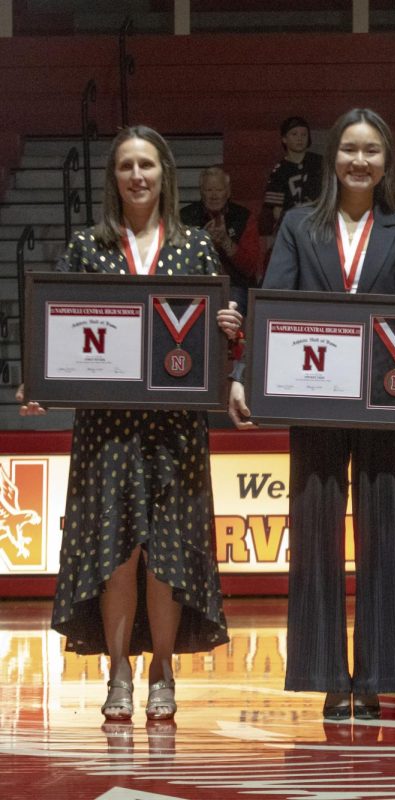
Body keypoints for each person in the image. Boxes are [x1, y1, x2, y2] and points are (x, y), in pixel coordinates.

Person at [228, 108, 395, 721]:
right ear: (333, 158)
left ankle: (377, 673)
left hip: (384, 402)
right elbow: (271, 306)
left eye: (372, 151)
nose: (360, 160)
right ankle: (326, 673)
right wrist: (245, 377)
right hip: (316, 400)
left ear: (387, 163)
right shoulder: (301, 226)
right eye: (350, 149)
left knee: (385, 532)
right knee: (316, 534)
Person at [18, 126, 242, 721]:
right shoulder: (87, 247)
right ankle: (118, 672)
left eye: (147, 164)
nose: (137, 175)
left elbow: (219, 335)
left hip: (175, 428)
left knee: (166, 554)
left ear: (164, 173)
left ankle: (163, 670)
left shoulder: (195, 246)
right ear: (113, 178)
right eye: (126, 166)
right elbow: (55, 325)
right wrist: (38, 377)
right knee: (117, 552)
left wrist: (228, 330)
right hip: (107, 427)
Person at [181, 165, 262, 311]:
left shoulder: (243, 217)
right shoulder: (185, 217)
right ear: (201, 192)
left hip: (235, 286)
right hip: (196, 285)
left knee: (231, 301)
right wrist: (201, 242)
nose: (214, 195)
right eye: (209, 190)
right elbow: (177, 263)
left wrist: (225, 241)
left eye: (219, 190)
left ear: (228, 192)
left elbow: (250, 268)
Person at [261, 115, 323, 248]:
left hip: (319, 225)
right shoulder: (279, 171)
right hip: (293, 229)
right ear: (284, 139)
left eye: (304, 134)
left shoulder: (320, 163)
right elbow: (276, 211)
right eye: (294, 134)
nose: (300, 138)